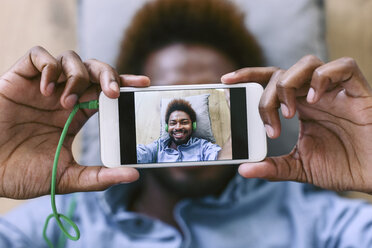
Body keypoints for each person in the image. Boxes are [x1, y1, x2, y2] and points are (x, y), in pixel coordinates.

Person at [1, 0, 372, 247]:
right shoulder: (54, 224)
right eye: (172, 121)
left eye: (185, 123)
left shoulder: (322, 223)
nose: (179, 129)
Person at [137, 98, 221, 163]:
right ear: (167, 127)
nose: (178, 127)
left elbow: (219, 156)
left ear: (193, 126)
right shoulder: (157, 148)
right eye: (173, 123)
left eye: (184, 122)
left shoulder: (203, 147)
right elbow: (139, 154)